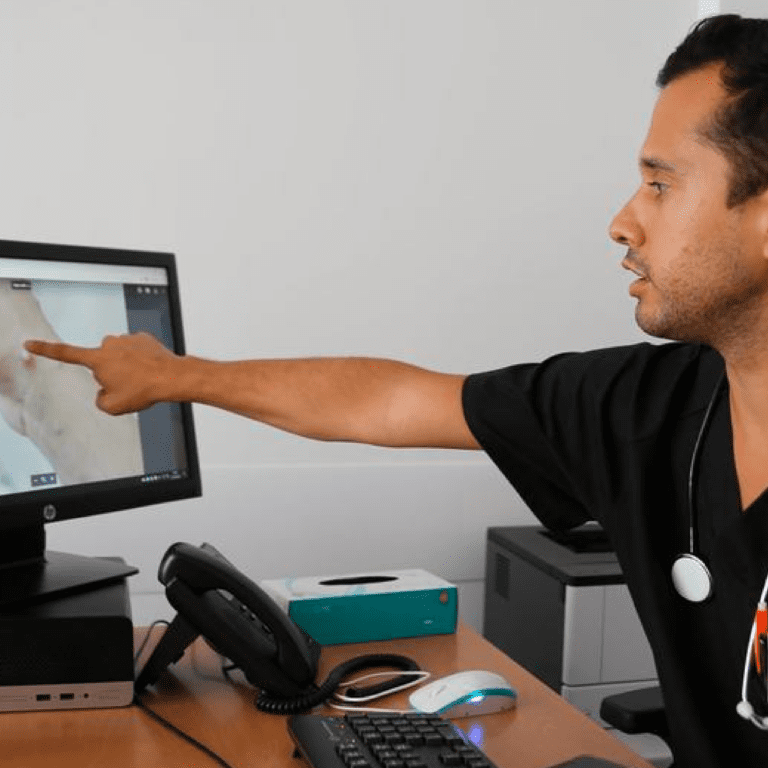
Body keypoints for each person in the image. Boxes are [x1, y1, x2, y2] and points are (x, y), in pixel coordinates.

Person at [22, 14, 768, 768]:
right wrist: (175, 377)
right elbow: (388, 401)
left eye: (660, 184)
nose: (621, 221)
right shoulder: (641, 405)